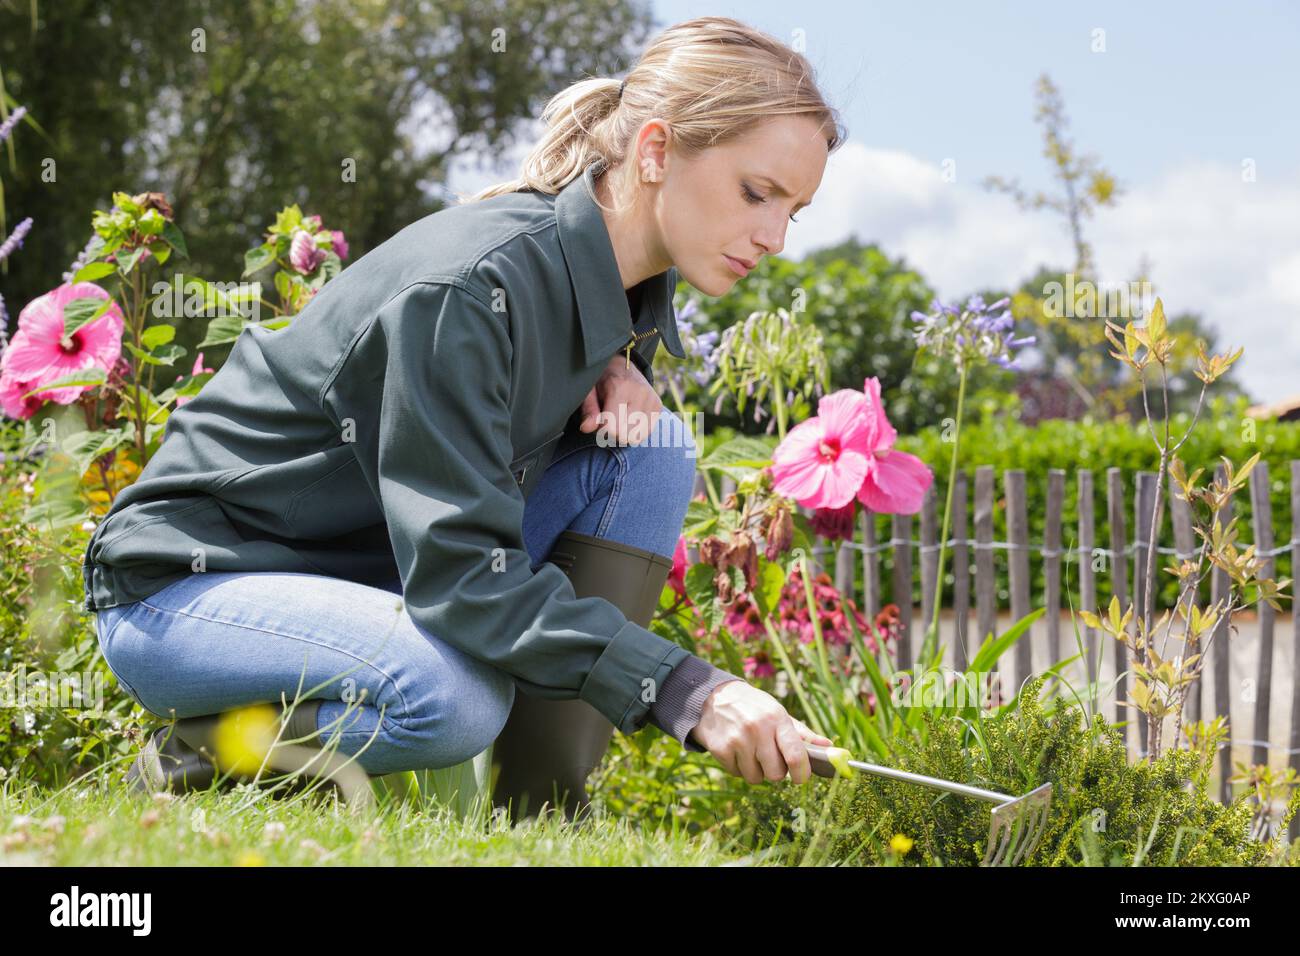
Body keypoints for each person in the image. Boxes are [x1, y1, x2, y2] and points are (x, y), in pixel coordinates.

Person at [84, 15, 845, 819]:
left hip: (359, 574)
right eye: (756, 193)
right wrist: (693, 693)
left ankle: (542, 815)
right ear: (655, 151)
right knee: (451, 698)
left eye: (794, 211)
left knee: (652, 452)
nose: (774, 238)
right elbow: (463, 579)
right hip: (191, 589)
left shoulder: (618, 292)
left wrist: (621, 362)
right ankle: (188, 762)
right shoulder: (469, 291)